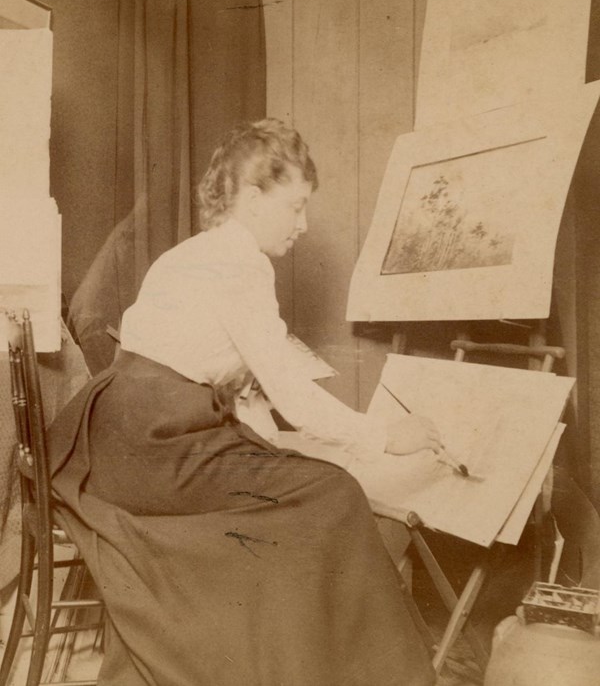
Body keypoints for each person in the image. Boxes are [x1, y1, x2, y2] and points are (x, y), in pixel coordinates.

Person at [49, 119, 438, 686]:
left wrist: (270, 443)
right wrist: (386, 437)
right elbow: (291, 396)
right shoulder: (243, 266)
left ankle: (269, 655)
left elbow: (228, 384)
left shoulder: (191, 253)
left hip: (111, 436)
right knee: (332, 493)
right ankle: (365, 674)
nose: (303, 225)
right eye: (296, 206)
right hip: (156, 443)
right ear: (254, 199)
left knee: (287, 483)